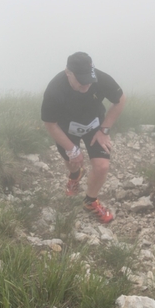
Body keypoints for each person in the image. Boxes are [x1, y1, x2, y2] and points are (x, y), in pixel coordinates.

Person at [41, 52, 125, 223]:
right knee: (72, 162)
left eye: (89, 79)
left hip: (95, 127)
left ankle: (90, 201)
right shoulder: (54, 89)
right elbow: (50, 123)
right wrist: (72, 149)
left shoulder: (100, 78)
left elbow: (120, 99)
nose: (87, 84)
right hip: (66, 129)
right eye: (81, 80)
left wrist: (104, 130)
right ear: (68, 73)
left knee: (102, 167)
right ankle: (74, 176)